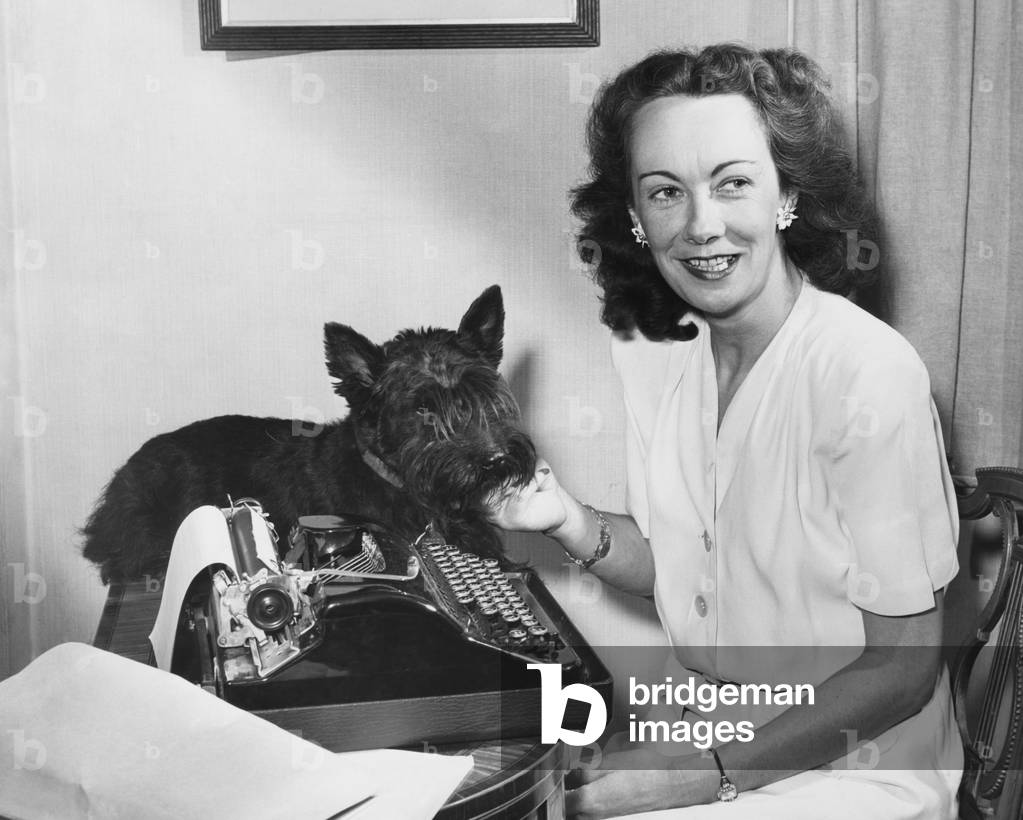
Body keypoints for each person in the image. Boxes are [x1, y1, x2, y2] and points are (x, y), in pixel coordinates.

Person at [488, 44, 963, 819]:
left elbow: (901, 672)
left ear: (786, 195)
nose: (702, 227)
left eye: (732, 182)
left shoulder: (867, 373)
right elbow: (689, 569)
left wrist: (698, 776)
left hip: (858, 765)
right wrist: (567, 520)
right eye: (665, 192)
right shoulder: (653, 350)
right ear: (635, 219)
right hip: (709, 736)